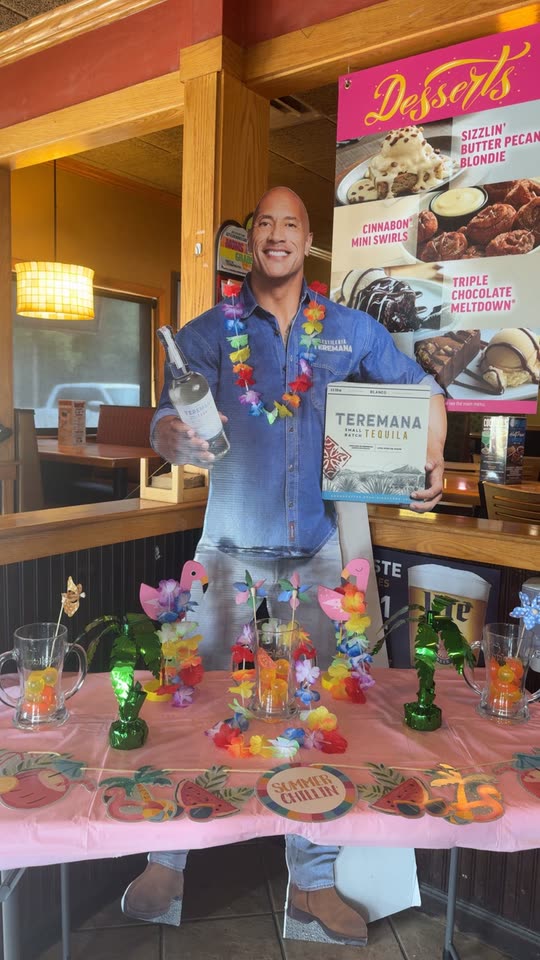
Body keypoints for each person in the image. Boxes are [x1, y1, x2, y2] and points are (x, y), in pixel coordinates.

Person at [121, 186, 447, 944]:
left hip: (320, 548)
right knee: (190, 700)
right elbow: (166, 416)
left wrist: (429, 456)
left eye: (290, 223)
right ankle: (167, 861)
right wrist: (171, 438)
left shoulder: (351, 329)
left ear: (307, 239)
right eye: (264, 223)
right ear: (250, 243)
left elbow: (423, 388)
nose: (276, 234)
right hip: (228, 544)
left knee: (322, 710)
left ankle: (313, 884)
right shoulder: (208, 333)